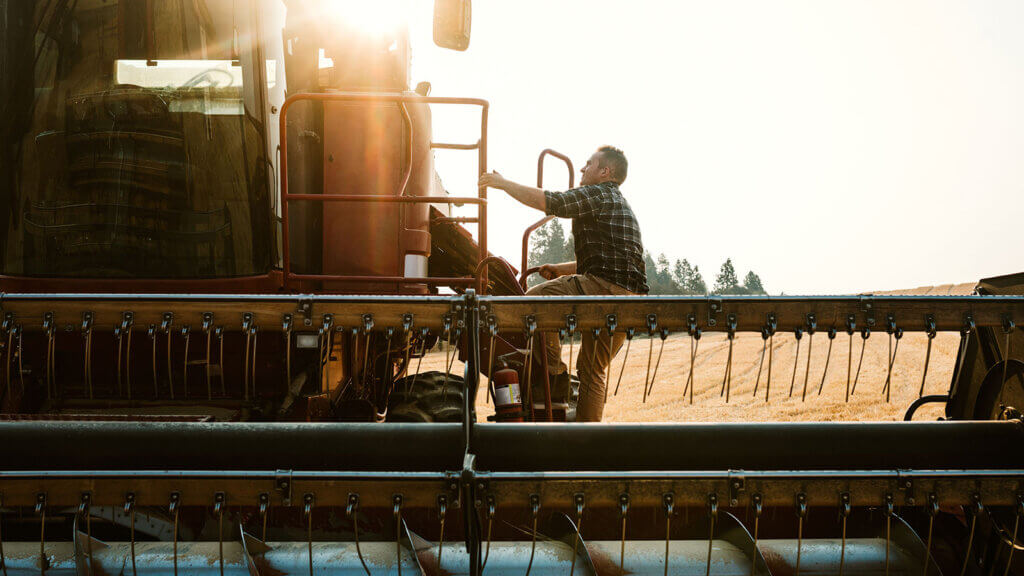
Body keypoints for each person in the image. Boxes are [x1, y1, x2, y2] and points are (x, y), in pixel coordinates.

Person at [478, 146, 648, 421]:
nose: (582, 169)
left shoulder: (599, 193)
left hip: (602, 288)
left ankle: (554, 374)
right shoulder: (619, 203)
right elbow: (614, 260)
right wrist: (562, 269)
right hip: (629, 298)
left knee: (533, 300)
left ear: (605, 172)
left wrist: (503, 184)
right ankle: (585, 442)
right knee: (593, 371)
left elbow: (554, 202)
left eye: (589, 164)